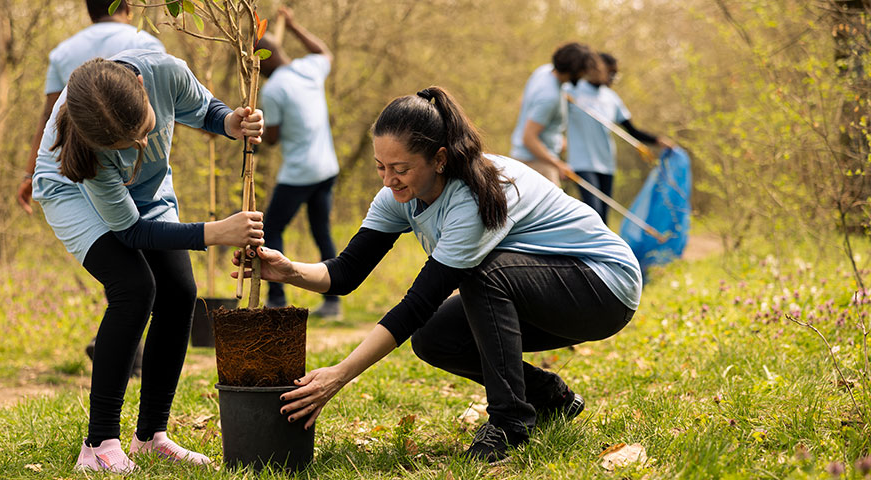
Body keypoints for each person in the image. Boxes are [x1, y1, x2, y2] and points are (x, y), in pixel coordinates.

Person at [236, 86, 641, 463]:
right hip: (548, 293)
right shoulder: (398, 196)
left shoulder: (476, 195)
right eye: (380, 167)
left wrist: (338, 376)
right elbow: (346, 273)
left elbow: (418, 301)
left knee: (481, 276)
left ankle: (510, 422)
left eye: (401, 168)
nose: (389, 179)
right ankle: (549, 397)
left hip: (603, 288)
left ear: (440, 159)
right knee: (433, 337)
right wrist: (288, 271)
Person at [32, 50, 264, 472]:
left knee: (180, 293)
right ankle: (99, 446)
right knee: (134, 289)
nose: (141, 145)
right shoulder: (85, 144)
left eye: (140, 132)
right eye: (128, 144)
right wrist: (215, 232)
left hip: (147, 190)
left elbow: (206, 109)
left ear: (142, 88)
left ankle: (150, 437)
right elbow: (132, 233)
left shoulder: (164, 71)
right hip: (70, 191)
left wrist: (232, 122)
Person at [17, 0, 164, 375]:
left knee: (120, 265)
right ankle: (123, 351)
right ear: (127, 6)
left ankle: (117, 348)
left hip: (72, 170)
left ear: (89, 12)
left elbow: (52, 117)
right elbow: (160, 111)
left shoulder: (64, 51)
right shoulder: (143, 41)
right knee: (137, 263)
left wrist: (31, 172)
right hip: (133, 164)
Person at [255, 6, 342, 319]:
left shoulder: (273, 90)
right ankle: (333, 301)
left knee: (271, 228)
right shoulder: (309, 69)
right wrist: (293, 25)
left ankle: (276, 298)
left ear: (262, 62)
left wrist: (253, 128)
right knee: (322, 230)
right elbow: (324, 52)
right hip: (326, 168)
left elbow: (273, 138)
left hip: (299, 174)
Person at [565, 52, 675, 223]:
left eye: (615, 74)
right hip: (582, 162)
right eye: (611, 72)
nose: (613, 78)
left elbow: (632, 130)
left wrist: (657, 140)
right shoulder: (571, 90)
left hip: (606, 163)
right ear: (597, 69)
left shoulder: (611, 98)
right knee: (594, 213)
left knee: (604, 218)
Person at [509, 43, 598, 186]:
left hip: (525, 159)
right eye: (583, 71)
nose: (584, 76)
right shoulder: (550, 97)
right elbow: (529, 138)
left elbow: (526, 105)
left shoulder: (543, 71)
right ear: (574, 71)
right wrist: (558, 164)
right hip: (538, 166)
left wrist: (555, 138)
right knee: (555, 209)